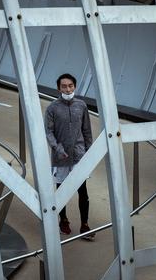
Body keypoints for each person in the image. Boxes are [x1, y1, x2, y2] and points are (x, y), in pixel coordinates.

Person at [45, 73, 94, 239]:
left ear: (75, 86)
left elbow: (87, 130)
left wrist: (89, 152)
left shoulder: (81, 105)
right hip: (61, 157)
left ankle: (85, 225)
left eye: (70, 85)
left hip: (79, 155)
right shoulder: (52, 108)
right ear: (59, 88)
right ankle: (63, 219)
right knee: (61, 191)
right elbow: (49, 132)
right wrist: (57, 148)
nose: (68, 89)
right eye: (64, 86)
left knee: (83, 191)